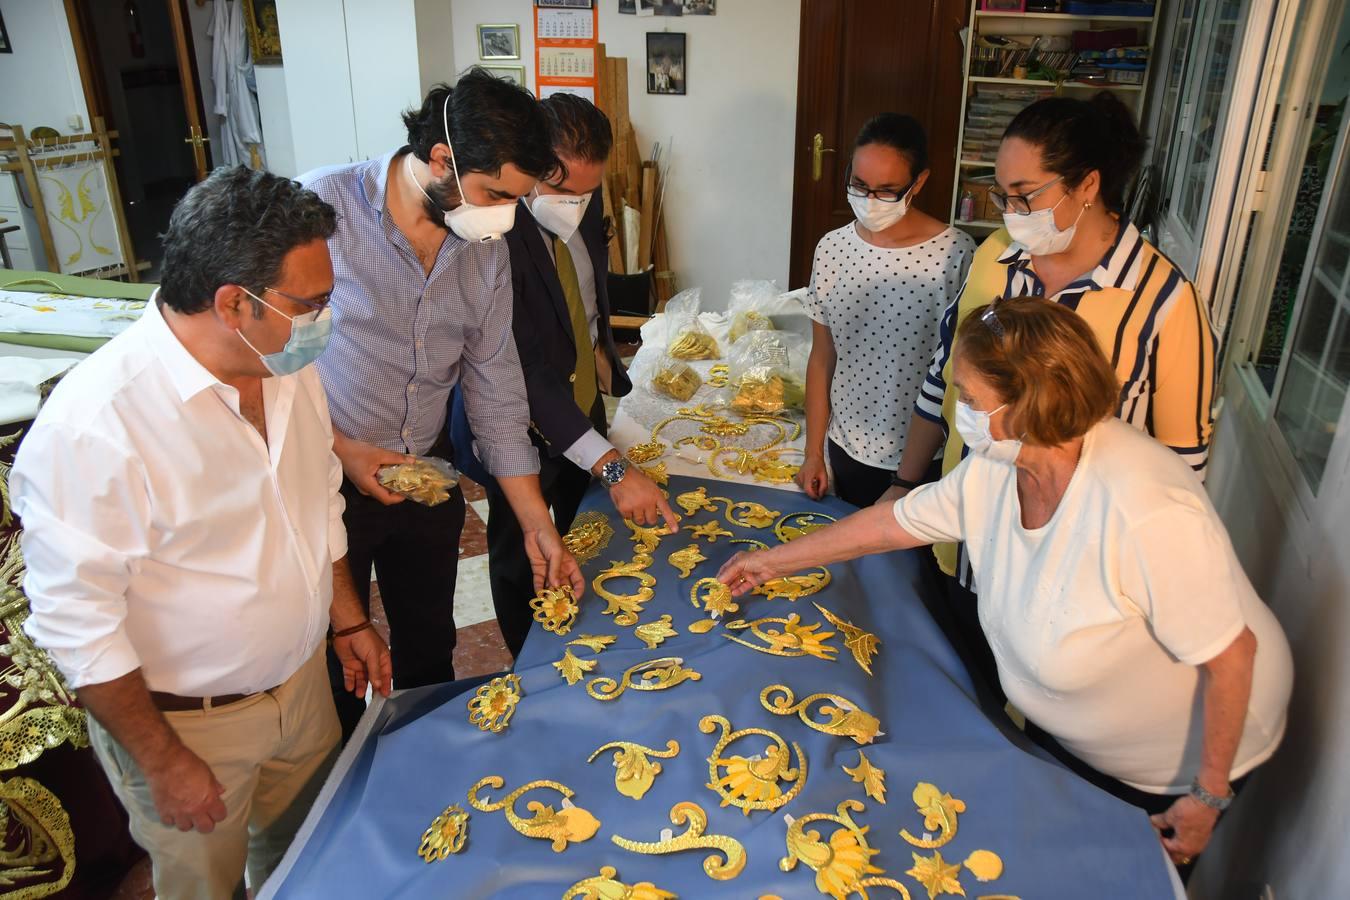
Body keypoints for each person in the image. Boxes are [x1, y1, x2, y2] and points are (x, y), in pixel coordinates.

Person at [719, 297, 1292, 874]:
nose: (958, 409)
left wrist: (1207, 797)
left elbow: (1233, 657)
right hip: (1069, 728)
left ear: (1029, 404)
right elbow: (897, 522)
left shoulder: (1145, 512)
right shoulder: (1000, 465)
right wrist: (773, 562)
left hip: (1172, 765)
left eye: (969, 398)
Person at [10, 167, 392, 900]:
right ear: (233, 303)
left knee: (308, 868)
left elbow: (318, 505)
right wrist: (161, 761)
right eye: (312, 303)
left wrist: (347, 620)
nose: (326, 319)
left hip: (302, 692)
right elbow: (77, 626)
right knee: (203, 889)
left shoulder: (285, 370)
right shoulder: (98, 426)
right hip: (190, 728)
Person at [882, 93, 1217, 705]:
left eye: (1025, 194)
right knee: (957, 699)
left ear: (1086, 185)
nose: (1009, 211)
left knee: (1047, 724)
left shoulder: (1164, 302)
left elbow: (1184, 468)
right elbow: (941, 383)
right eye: (1001, 194)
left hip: (1077, 574)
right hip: (970, 546)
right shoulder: (994, 260)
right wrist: (906, 483)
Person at [299, 70, 584, 737]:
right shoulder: (322, 209)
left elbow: (495, 387)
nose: (505, 216)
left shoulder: (484, 243)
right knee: (334, 654)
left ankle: (423, 768)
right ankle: (346, 793)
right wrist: (342, 450)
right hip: (325, 473)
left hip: (424, 473)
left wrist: (536, 520)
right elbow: (264, 370)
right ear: (440, 161)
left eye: (517, 199)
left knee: (430, 642)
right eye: (494, 195)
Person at [450, 93, 679, 658]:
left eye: (586, 191)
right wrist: (612, 463)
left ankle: (595, 627)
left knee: (590, 524)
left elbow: (587, 298)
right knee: (520, 544)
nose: (576, 203)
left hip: (580, 397)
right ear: (529, 169)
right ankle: (532, 655)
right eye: (562, 191)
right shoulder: (494, 235)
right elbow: (518, 372)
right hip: (518, 420)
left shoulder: (582, 196)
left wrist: (603, 373)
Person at [798, 113, 976, 507]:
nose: (870, 200)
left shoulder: (955, 254)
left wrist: (908, 478)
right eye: (860, 185)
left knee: (912, 566)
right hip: (846, 446)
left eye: (887, 190)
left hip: (922, 459)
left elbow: (959, 374)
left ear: (919, 182)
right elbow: (822, 357)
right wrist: (814, 452)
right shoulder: (832, 249)